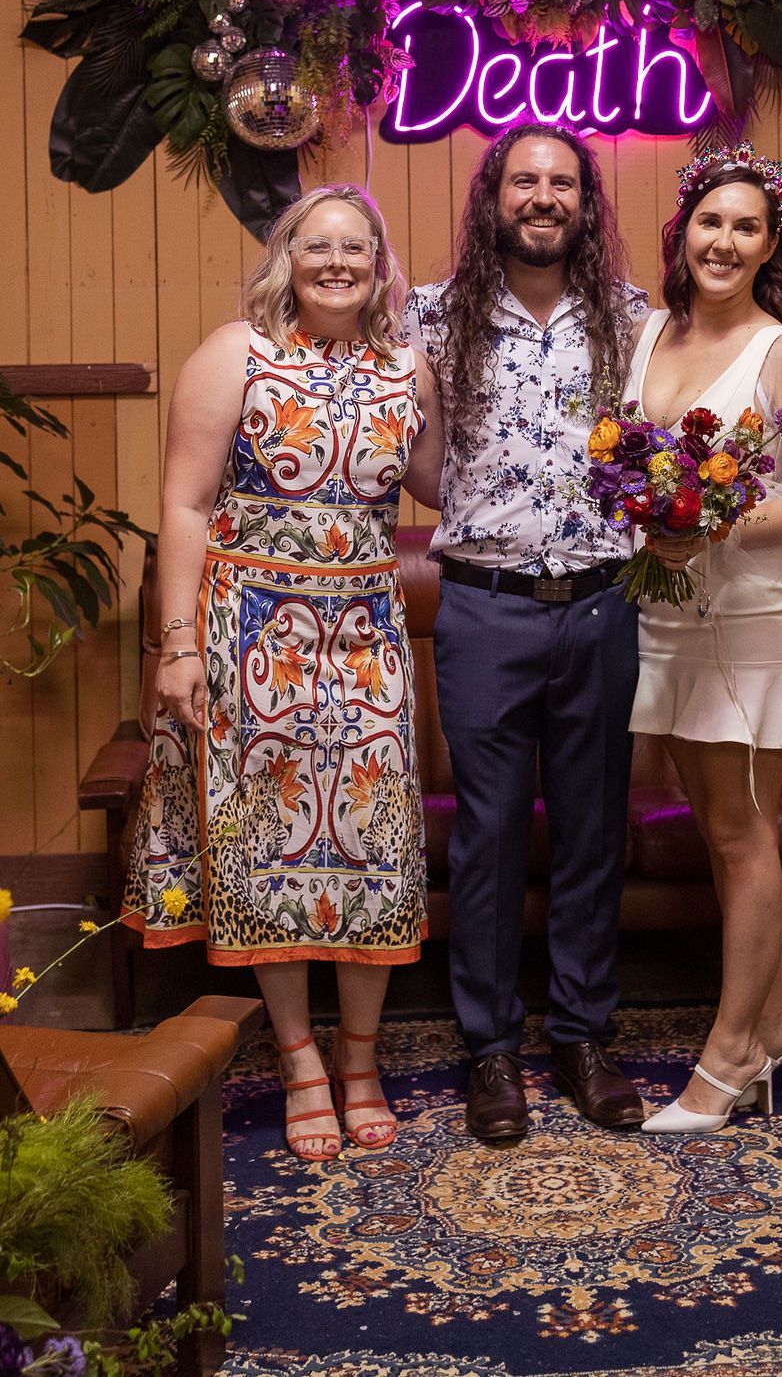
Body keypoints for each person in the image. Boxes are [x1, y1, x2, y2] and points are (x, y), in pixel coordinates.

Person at [123, 184, 443, 1161]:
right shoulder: (235, 354)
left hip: (366, 635)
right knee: (269, 847)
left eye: (358, 247)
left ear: (381, 264)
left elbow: (443, 485)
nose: (339, 261)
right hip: (250, 633)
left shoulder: (406, 364)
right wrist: (177, 645)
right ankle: (301, 1060)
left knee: (370, 845)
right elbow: (183, 504)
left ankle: (360, 1058)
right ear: (287, 257)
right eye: (319, 245)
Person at [406, 119, 647, 1144]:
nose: (542, 196)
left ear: (587, 204)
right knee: (491, 835)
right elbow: (412, 458)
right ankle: (491, 1049)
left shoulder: (634, 320)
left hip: (602, 605)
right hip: (483, 609)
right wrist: (478, 513)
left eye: (561, 182)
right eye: (523, 180)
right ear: (491, 197)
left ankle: (584, 1035)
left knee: (594, 829)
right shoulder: (430, 316)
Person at [628, 143, 782, 1135]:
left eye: (745, 227)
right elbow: (624, 464)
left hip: (745, 619)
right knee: (716, 828)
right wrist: (646, 508)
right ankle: (778, 1025)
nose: (723, 240)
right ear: (681, 232)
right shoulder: (647, 334)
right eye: (709, 222)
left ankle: (727, 1061)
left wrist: (709, 517)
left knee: (739, 830)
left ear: (770, 246)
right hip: (663, 615)